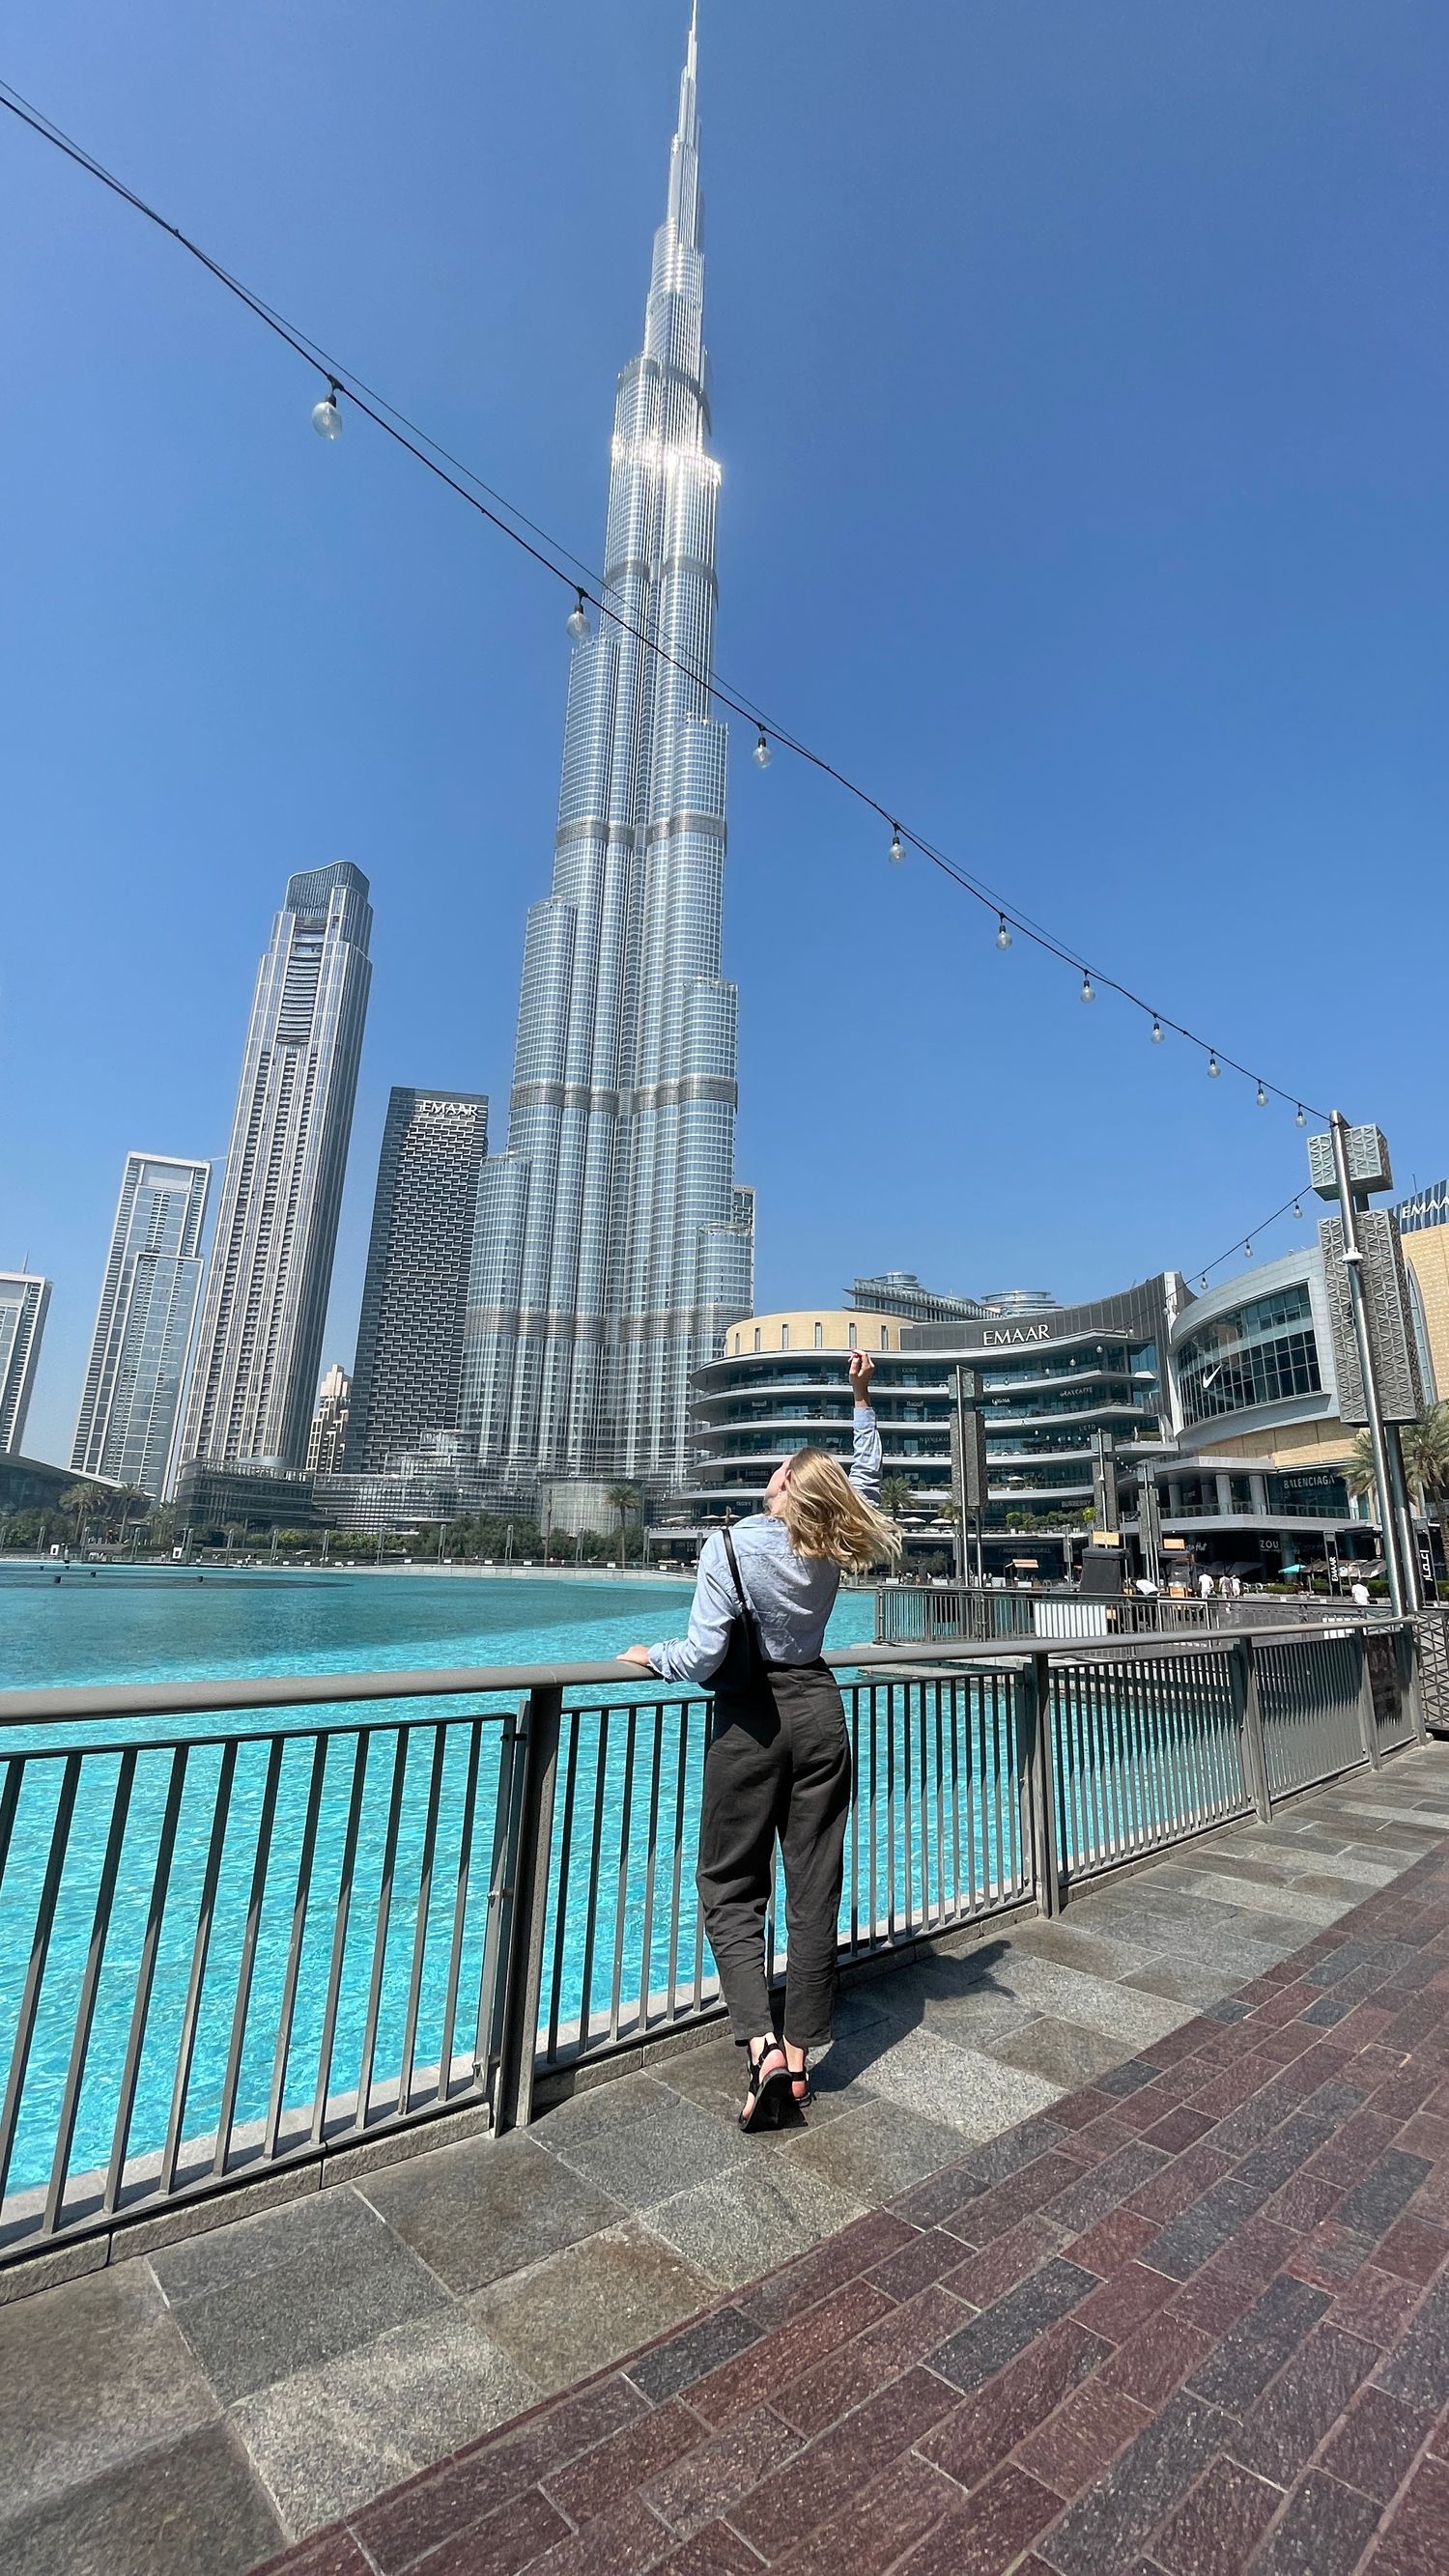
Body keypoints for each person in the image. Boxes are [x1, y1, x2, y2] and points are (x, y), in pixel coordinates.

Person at [622, 1349, 899, 2131]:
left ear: (784, 1487)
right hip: (818, 1708)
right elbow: (867, 1478)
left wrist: (651, 1656)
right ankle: (802, 2055)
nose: (773, 1470)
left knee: (730, 1882)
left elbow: (703, 1655)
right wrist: (861, 1397)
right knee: (814, 1884)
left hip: (750, 1718)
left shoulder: (730, 1544)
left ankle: (761, 2045)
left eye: (780, 1468)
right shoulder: (831, 1538)